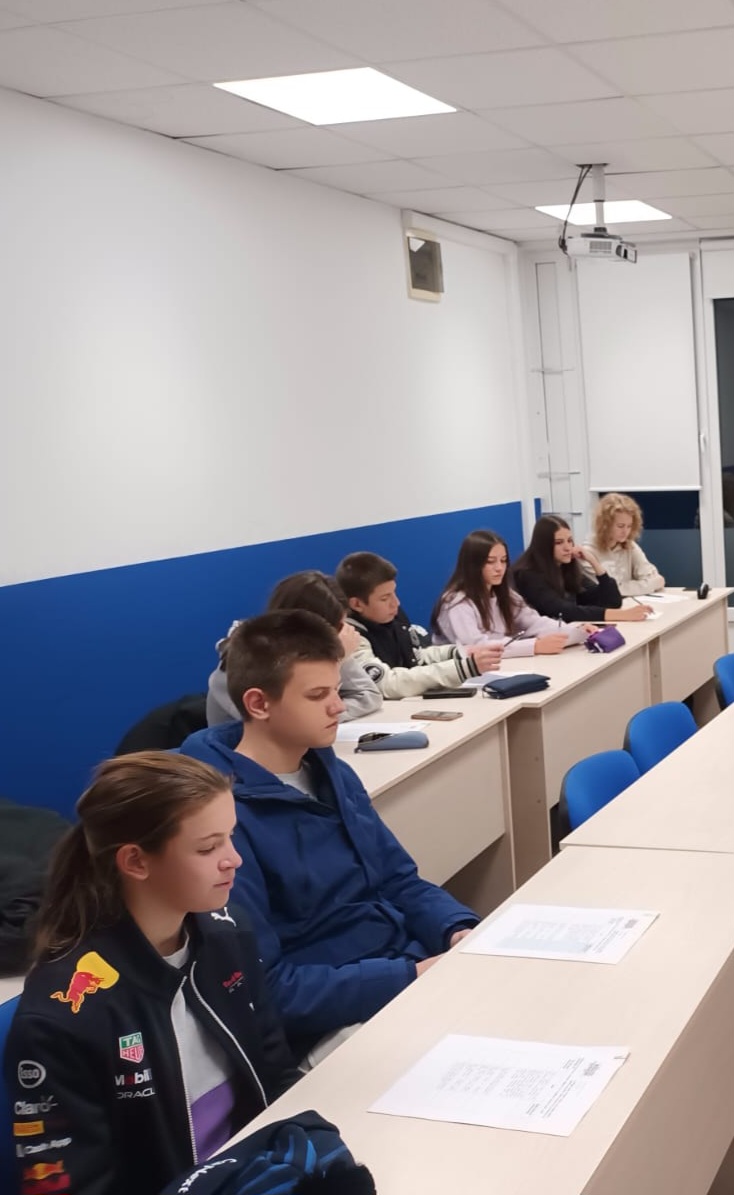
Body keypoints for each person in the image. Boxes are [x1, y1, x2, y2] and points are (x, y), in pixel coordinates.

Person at [179, 610, 479, 1063]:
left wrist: (457, 929)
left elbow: (398, 879)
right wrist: (409, 976)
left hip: (401, 968)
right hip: (331, 1022)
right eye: (318, 695)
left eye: (336, 690)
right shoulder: (220, 820)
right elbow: (269, 988)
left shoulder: (331, 772)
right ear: (258, 704)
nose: (338, 706)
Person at [5, 753, 300, 1195]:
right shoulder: (63, 1016)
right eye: (208, 848)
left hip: (252, 1172)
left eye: (231, 838)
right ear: (136, 862)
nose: (234, 859)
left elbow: (275, 1076)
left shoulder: (228, 935)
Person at [207, 571, 381, 725]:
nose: (343, 633)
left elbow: (368, 695)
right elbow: (279, 724)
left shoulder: (320, 648)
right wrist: (337, 659)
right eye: (337, 627)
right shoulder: (241, 660)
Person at [335, 551, 503, 697]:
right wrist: (464, 668)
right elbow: (388, 684)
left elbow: (416, 656)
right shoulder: (350, 637)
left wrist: (460, 652)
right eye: (385, 598)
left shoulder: (392, 617)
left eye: (394, 593)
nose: (396, 603)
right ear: (357, 604)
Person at [431, 529, 588, 658]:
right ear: (473, 565)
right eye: (490, 562)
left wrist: (576, 630)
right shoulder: (457, 602)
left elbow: (534, 622)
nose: (499, 568)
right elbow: (476, 646)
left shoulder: (505, 594)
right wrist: (534, 646)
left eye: (503, 560)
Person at [513, 515, 652, 623]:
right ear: (544, 545)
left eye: (569, 540)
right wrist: (621, 615)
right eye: (559, 543)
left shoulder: (566, 567)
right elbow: (561, 610)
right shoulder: (528, 574)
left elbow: (612, 602)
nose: (567, 547)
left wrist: (594, 562)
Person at [583, 493, 665, 596]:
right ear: (605, 525)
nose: (625, 531)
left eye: (629, 526)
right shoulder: (587, 553)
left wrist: (625, 587)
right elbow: (609, 591)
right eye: (620, 526)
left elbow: (656, 579)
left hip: (633, 603)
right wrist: (647, 585)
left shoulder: (630, 545)